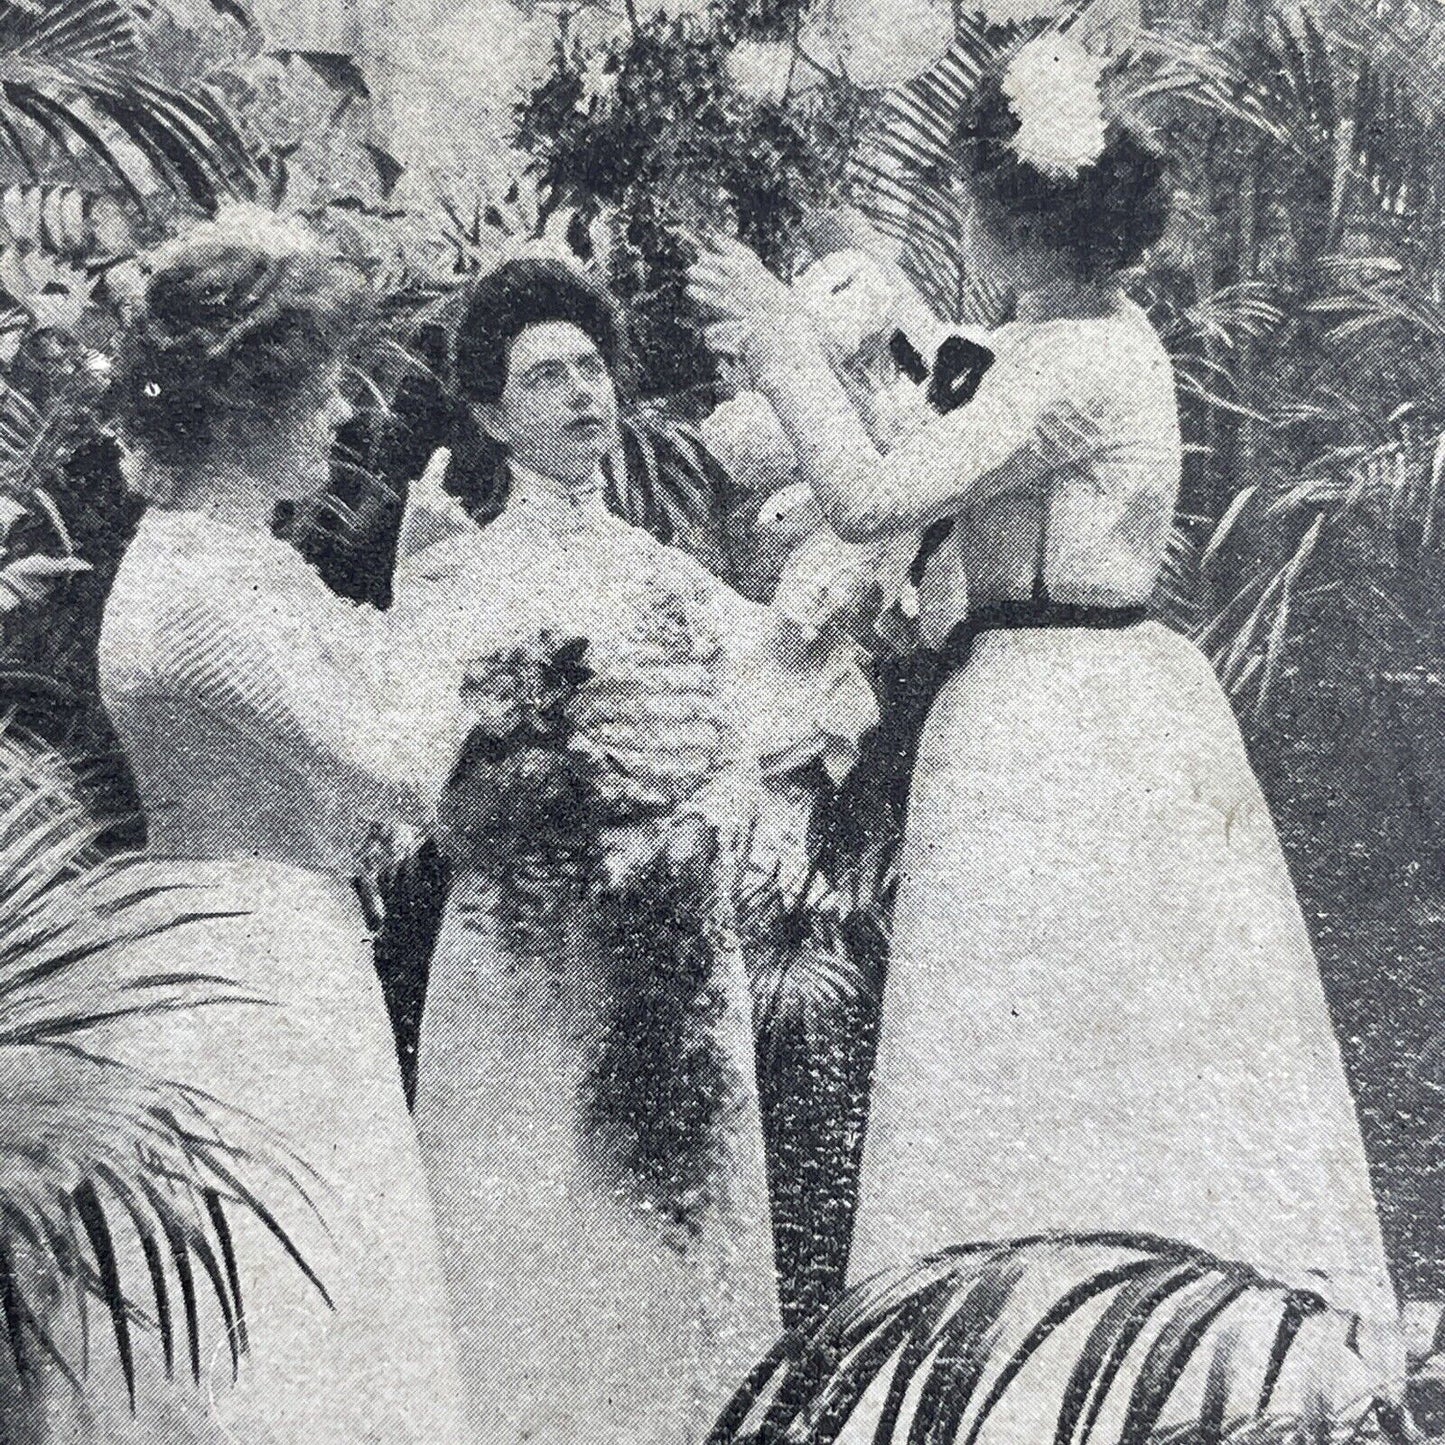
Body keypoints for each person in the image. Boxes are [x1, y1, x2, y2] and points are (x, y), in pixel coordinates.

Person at [687, 32, 1398, 1336]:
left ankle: (1084, 1339)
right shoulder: (1061, 338)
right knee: (1033, 1040)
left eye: (976, 203)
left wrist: (789, 346)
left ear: (1019, 220)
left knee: (1072, 1030)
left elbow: (868, 494)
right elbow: (947, 370)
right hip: (1052, 703)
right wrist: (877, 318)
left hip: (1063, 717)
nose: (961, 222)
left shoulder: (1081, 363)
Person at [395, 257, 877, 1445]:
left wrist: (705, 822)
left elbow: (775, 709)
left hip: (665, 937)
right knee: (527, 1217)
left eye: (591, 366)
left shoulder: (670, 575)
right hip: (525, 948)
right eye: (542, 375)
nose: (578, 392)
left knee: (659, 1228)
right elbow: (416, 769)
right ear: (493, 415)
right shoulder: (453, 575)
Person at [95, 206, 469, 1442]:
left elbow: (348, 787)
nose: (346, 414)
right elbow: (410, 760)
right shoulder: (200, 591)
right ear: (243, 401)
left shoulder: (229, 566)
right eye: (319, 386)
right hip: (249, 973)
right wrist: (434, 591)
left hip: (271, 943)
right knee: (293, 1318)